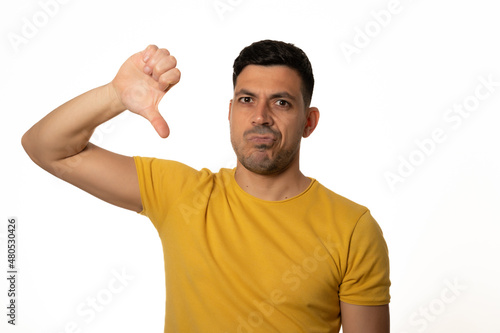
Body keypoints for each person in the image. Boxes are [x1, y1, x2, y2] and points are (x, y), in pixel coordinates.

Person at [22, 40, 391, 332]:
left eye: (281, 102)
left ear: (309, 122)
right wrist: (115, 96)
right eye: (247, 100)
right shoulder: (182, 194)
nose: (260, 117)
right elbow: (46, 147)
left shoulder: (353, 229)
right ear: (230, 112)